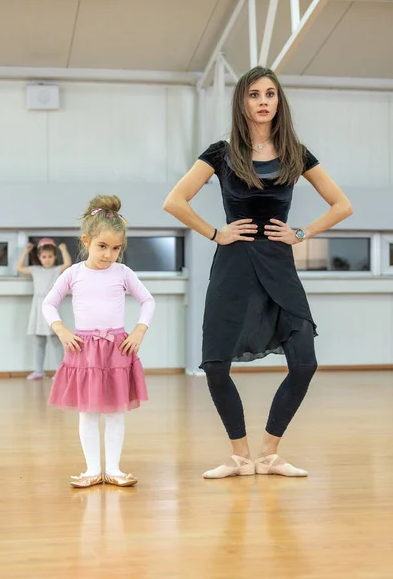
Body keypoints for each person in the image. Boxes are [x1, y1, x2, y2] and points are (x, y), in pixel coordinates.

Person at [163, 66, 353, 479]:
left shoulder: (297, 154)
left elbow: (342, 205)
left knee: (304, 362)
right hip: (234, 266)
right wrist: (216, 233)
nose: (263, 101)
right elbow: (174, 201)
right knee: (215, 366)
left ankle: (268, 453)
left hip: (279, 266)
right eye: (254, 94)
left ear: (278, 102)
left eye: (270, 94)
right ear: (242, 103)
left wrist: (302, 232)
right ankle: (238, 455)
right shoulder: (220, 153)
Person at [42, 195, 155, 488]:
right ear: (86, 240)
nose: (108, 254)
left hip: (117, 350)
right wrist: (62, 331)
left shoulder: (123, 273)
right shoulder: (73, 274)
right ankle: (93, 469)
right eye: (102, 246)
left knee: (116, 411)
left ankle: (114, 469)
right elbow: (48, 304)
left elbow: (148, 301)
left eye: (116, 248)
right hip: (84, 351)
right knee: (88, 412)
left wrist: (139, 330)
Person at [17, 238, 71, 380]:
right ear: (39, 257)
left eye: (50, 257)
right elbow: (19, 268)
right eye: (44, 257)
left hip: (51, 306)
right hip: (37, 307)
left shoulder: (55, 270)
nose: (47, 260)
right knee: (39, 341)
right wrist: (26, 251)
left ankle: (60, 371)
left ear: (54, 257)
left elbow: (67, 264)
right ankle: (38, 371)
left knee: (55, 340)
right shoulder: (35, 270)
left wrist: (63, 249)